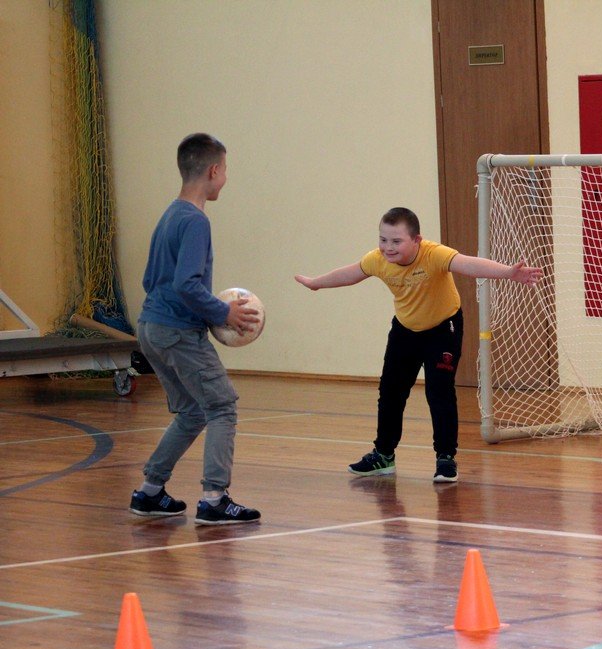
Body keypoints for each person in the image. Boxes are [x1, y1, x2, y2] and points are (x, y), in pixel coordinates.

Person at [295, 207, 541, 482]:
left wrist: (508, 272)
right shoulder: (377, 259)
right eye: (383, 240)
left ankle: (445, 458)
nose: (388, 247)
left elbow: (469, 265)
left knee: (439, 391)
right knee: (391, 391)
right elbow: (350, 274)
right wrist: (316, 283)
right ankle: (383, 455)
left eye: (396, 241)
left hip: (442, 329)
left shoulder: (433, 254)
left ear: (417, 240)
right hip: (405, 330)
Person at [129, 133, 262, 525]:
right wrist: (223, 313)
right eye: (226, 171)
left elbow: (152, 280)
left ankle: (150, 492)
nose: (226, 179)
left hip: (151, 327)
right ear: (214, 170)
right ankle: (214, 499)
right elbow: (187, 284)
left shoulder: (170, 215)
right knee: (221, 406)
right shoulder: (195, 221)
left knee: (191, 411)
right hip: (177, 333)